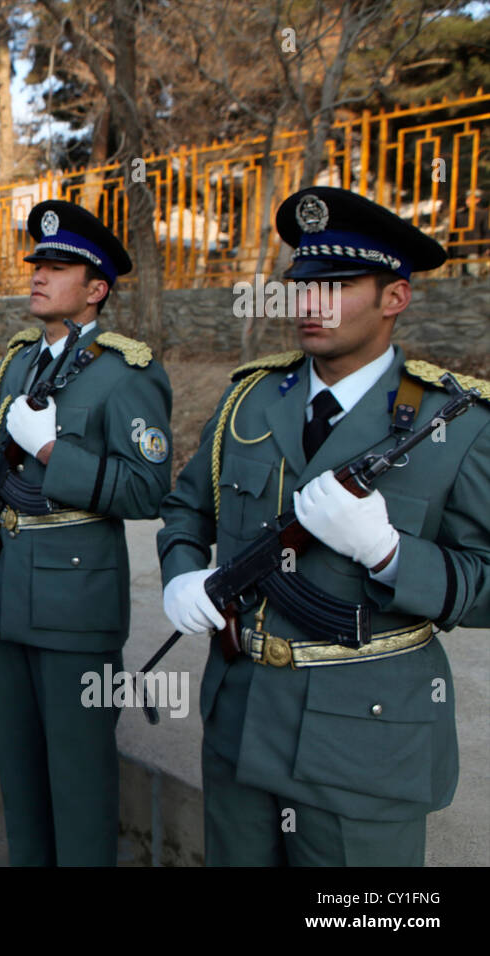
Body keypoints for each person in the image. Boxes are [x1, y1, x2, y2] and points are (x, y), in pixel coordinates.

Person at [157, 186, 490, 866]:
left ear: (394, 297)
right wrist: (182, 572)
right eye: (303, 284)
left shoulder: (459, 425)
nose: (310, 303)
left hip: (365, 740)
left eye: (337, 285)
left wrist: (391, 554)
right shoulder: (248, 399)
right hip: (242, 716)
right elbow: (187, 508)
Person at [0, 200, 174, 866]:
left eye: (58, 266)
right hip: (8, 586)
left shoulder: (125, 373)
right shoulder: (20, 361)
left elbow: (146, 489)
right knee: (18, 766)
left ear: (96, 288)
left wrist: (54, 455)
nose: (39, 276)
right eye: (37, 264)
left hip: (77, 598)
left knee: (77, 774)